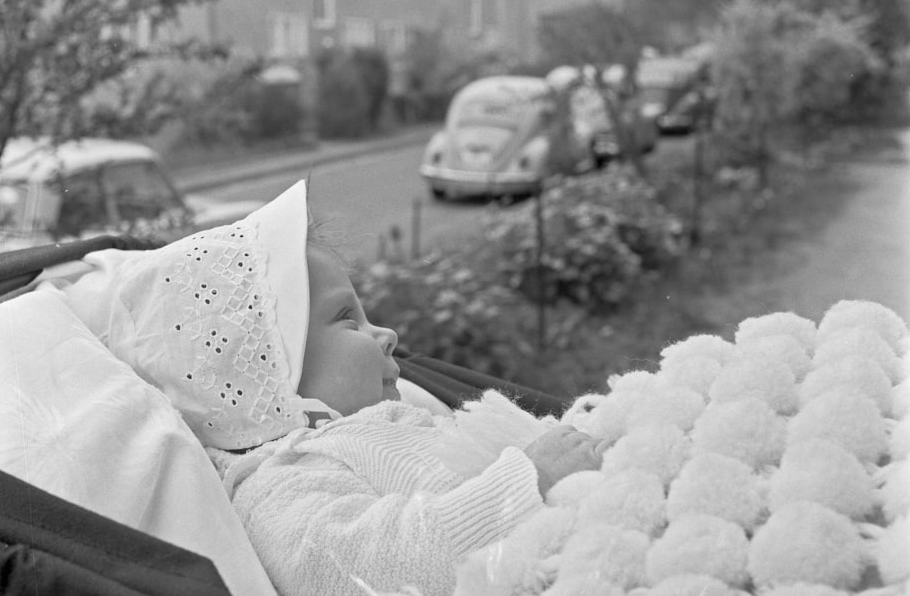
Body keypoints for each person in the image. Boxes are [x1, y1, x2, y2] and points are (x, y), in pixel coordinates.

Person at [60, 180, 607, 596]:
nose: (387, 334)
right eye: (349, 319)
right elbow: (360, 567)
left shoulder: (387, 418)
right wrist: (524, 480)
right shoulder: (279, 483)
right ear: (267, 372)